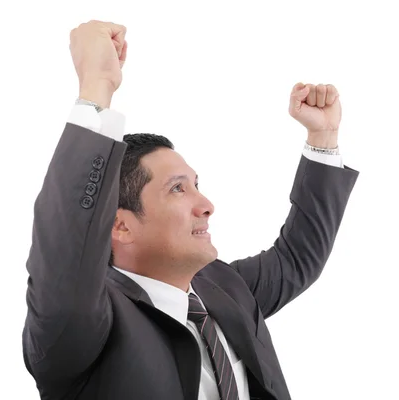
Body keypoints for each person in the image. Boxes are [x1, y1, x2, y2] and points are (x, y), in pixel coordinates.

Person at [22, 20, 359, 400]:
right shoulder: (81, 323)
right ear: (120, 225)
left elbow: (298, 258)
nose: (206, 205)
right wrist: (96, 89)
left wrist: (323, 140)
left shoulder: (224, 288)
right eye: (178, 189)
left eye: (196, 185)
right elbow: (65, 249)